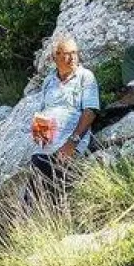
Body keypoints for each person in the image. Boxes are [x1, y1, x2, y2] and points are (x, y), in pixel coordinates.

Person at [28, 36, 100, 198]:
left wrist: (72, 142)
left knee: (53, 191)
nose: (73, 57)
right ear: (55, 57)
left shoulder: (85, 76)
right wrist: (39, 137)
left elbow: (90, 111)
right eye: (67, 53)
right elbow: (44, 112)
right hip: (45, 146)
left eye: (75, 52)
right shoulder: (48, 81)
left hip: (68, 145)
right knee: (33, 195)